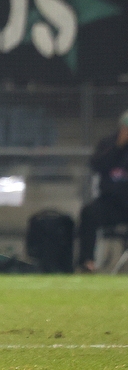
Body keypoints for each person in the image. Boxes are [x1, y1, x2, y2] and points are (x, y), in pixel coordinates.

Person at [75, 110, 128, 273]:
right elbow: (97, 165)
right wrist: (118, 147)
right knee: (89, 213)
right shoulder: (109, 143)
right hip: (111, 202)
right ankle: (87, 262)